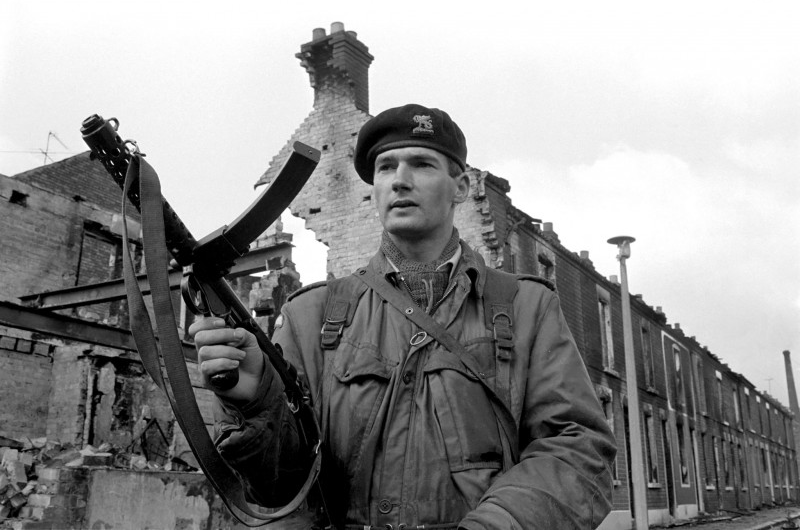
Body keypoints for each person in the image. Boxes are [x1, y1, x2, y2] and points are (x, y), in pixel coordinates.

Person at [190, 104, 616, 529]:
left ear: (461, 187)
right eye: (385, 167)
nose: (400, 180)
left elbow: (578, 449)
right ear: (373, 189)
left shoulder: (525, 308)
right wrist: (256, 402)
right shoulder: (311, 316)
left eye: (422, 164)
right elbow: (282, 489)